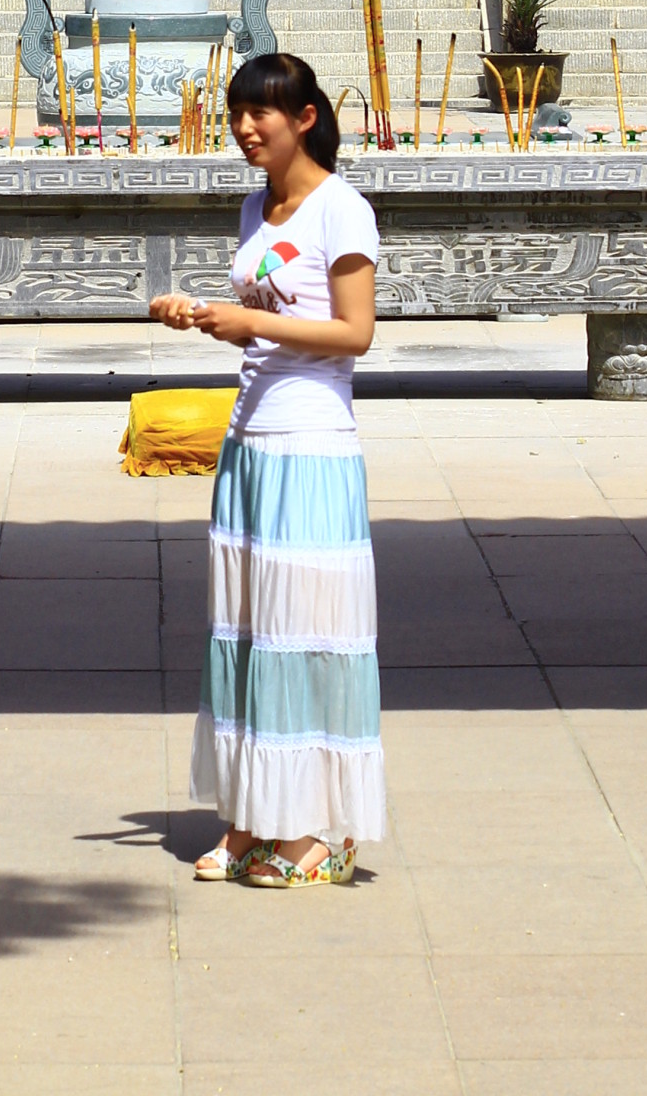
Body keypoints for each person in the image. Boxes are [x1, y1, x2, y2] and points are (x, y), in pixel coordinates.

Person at [149, 49, 383, 887]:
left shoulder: (342, 210)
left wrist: (248, 323)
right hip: (250, 439)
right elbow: (266, 314)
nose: (245, 129)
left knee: (304, 633)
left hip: (312, 442)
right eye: (237, 114)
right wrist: (201, 314)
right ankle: (250, 818)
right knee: (248, 635)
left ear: (304, 118)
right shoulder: (257, 206)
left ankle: (317, 830)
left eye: (262, 114)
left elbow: (355, 334)